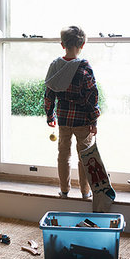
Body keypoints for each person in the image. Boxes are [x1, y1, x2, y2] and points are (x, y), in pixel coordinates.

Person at [44, 26, 100, 199]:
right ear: (82, 44)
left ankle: (64, 190)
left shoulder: (55, 66)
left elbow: (49, 93)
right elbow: (92, 96)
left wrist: (49, 114)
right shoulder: (84, 68)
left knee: (63, 155)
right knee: (85, 156)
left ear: (62, 45)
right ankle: (85, 192)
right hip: (82, 120)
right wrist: (94, 120)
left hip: (63, 119)